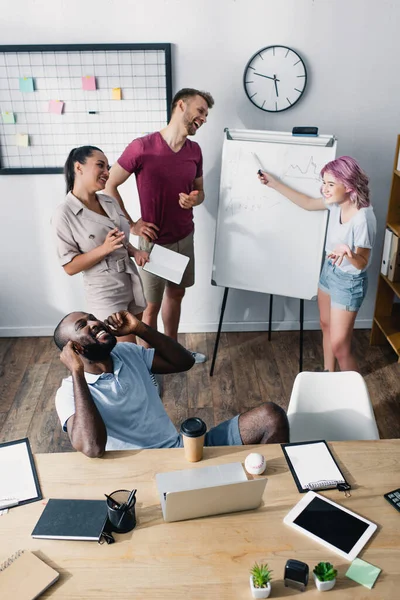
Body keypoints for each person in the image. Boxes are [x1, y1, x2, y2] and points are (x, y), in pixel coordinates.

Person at [53, 310, 290, 457]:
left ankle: (273, 496)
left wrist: (139, 328)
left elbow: (184, 361)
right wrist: (77, 372)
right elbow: (92, 447)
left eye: (92, 317)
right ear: (74, 348)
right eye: (82, 326)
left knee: (271, 416)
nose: (93, 323)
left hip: (179, 449)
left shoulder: (127, 352)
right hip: (138, 472)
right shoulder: (68, 393)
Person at [105, 88, 215, 362]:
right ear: (181, 105)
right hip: (152, 245)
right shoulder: (142, 147)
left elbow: (200, 192)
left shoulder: (194, 150)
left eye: (206, 115)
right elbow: (109, 185)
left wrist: (195, 199)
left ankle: (173, 352)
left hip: (184, 237)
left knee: (176, 294)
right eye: (200, 111)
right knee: (149, 308)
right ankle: (150, 363)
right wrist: (132, 224)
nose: (203, 118)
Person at [258, 156, 376, 373]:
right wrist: (273, 183)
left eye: (331, 184)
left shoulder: (363, 218)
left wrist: (347, 253)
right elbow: (306, 202)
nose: (325, 189)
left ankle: (353, 395)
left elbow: (362, 263)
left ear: (349, 185)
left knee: (341, 346)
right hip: (329, 271)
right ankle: (328, 374)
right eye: (324, 182)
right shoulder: (334, 204)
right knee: (325, 325)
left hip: (349, 282)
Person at [52, 146, 150, 343]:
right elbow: (70, 267)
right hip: (104, 292)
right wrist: (103, 249)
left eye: (108, 167)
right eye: (100, 166)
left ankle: (143, 374)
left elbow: (119, 239)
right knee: (125, 348)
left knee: (137, 344)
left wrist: (134, 250)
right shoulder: (64, 214)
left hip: (130, 281)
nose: (107, 172)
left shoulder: (109, 201)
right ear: (78, 167)